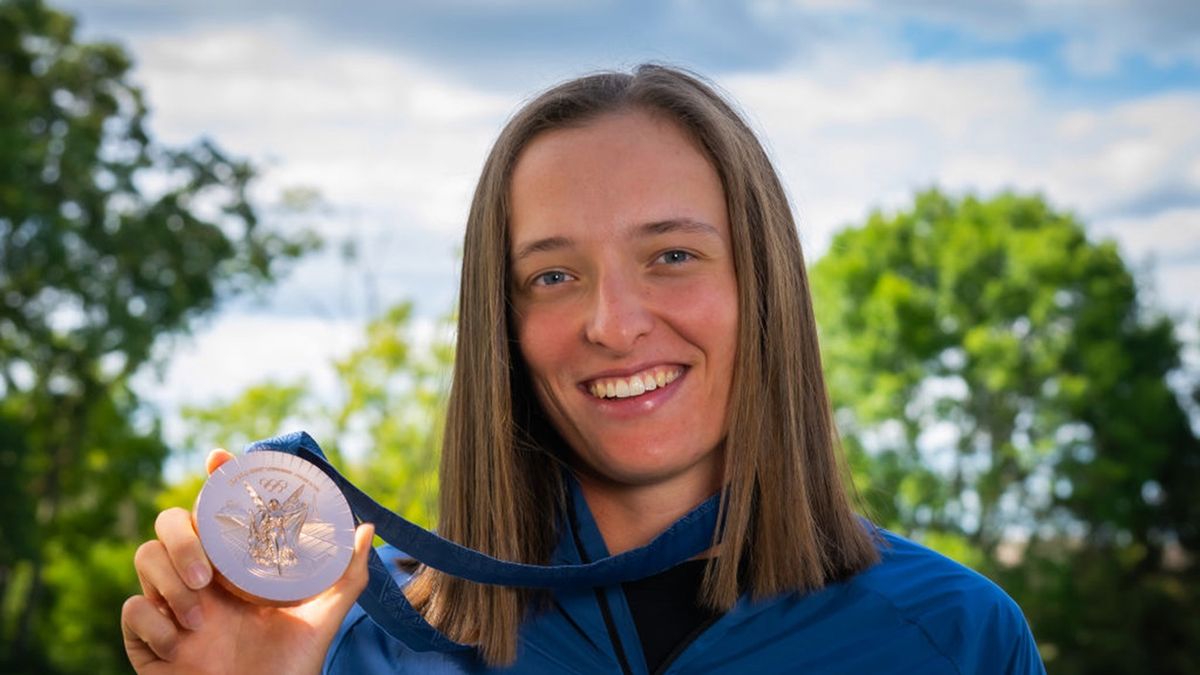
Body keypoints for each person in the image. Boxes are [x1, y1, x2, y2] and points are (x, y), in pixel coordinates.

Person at [122, 64, 1045, 674]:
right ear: (503, 327)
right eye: (553, 275)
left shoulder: (958, 638)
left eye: (672, 255)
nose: (612, 324)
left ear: (763, 286)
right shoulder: (354, 645)